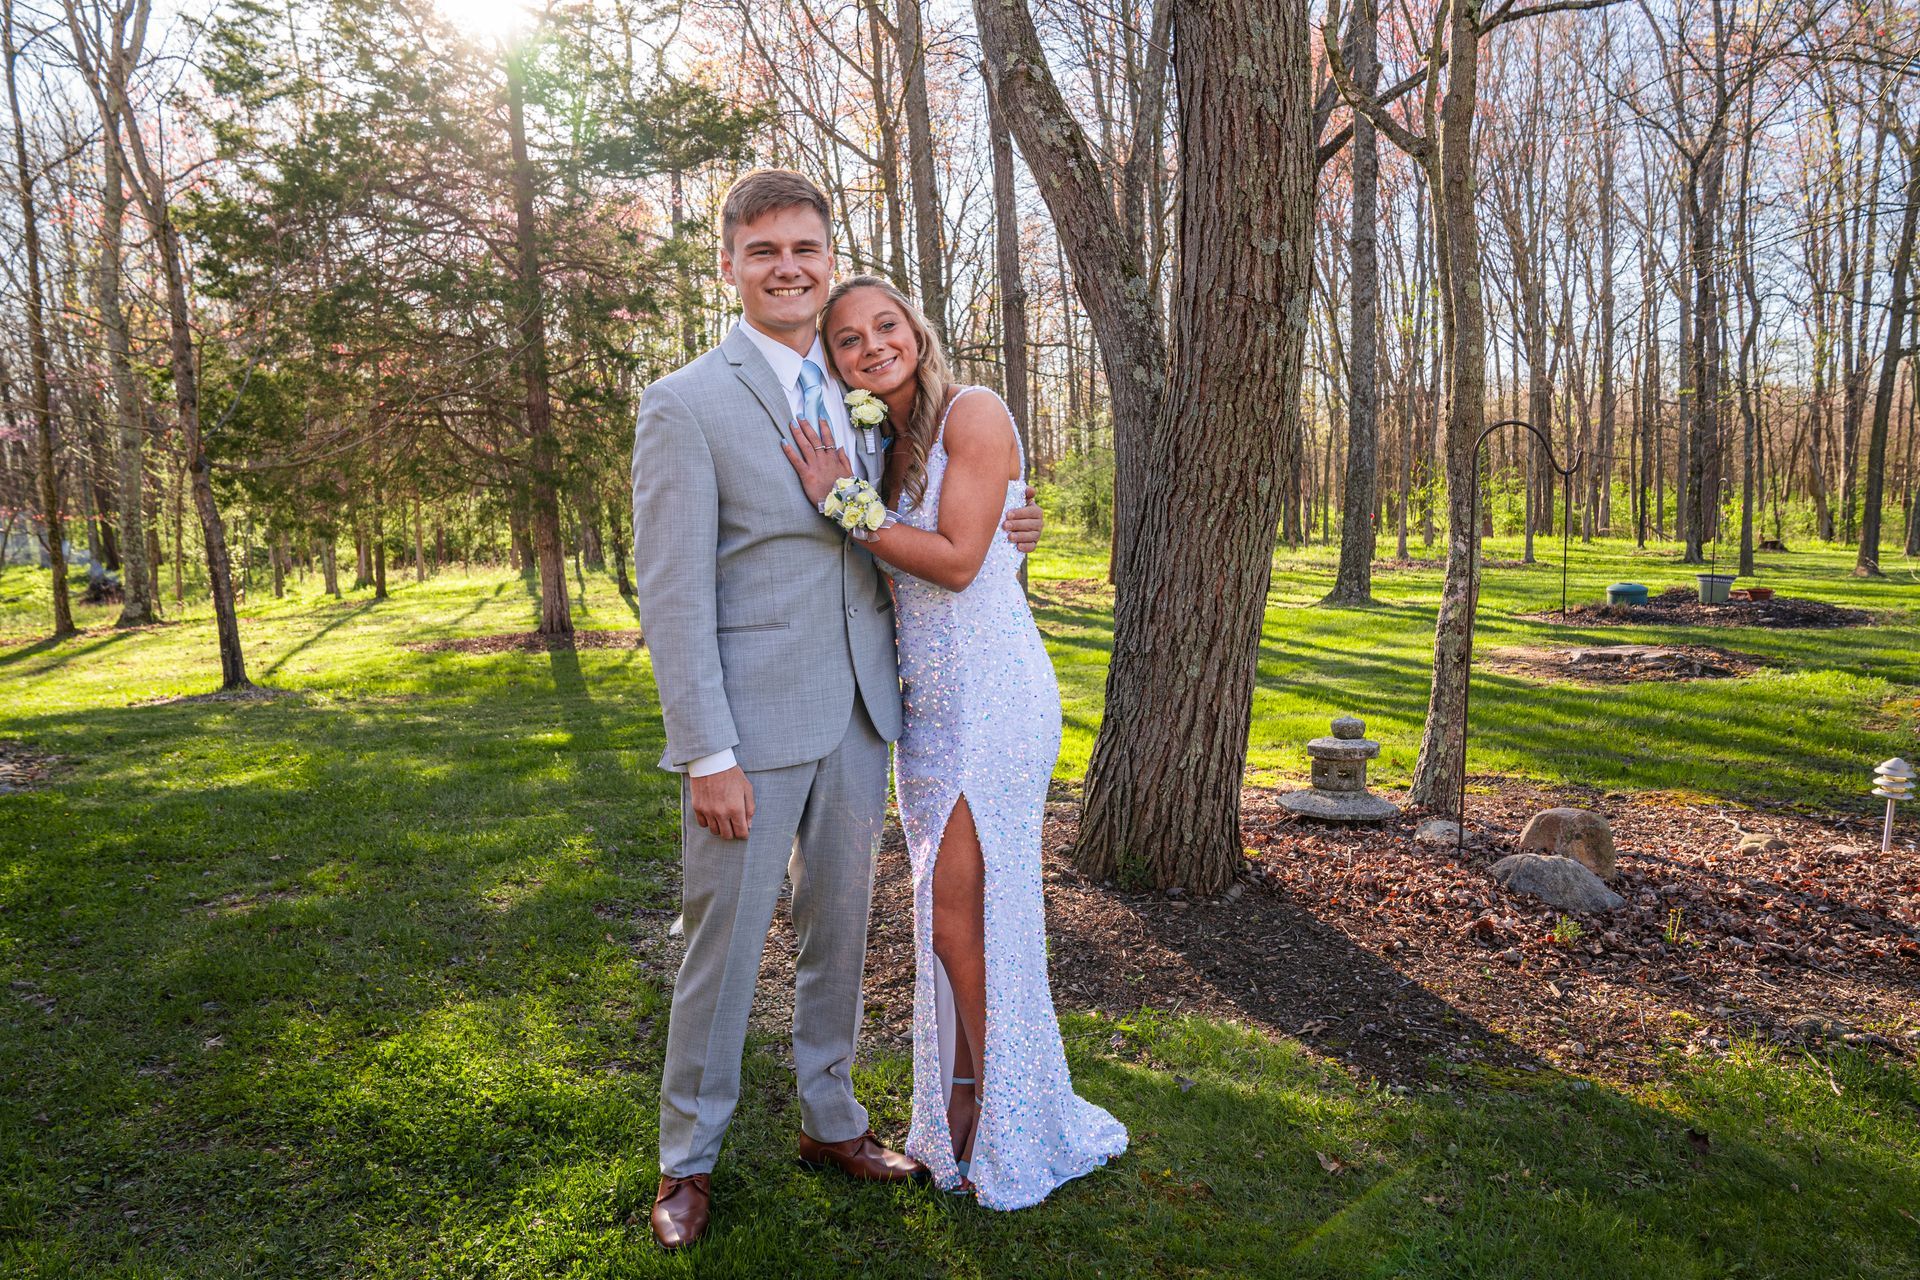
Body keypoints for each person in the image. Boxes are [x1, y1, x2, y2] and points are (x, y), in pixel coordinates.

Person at [629, 170, 1043, 1250]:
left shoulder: (864, 386)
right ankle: (689, 1158)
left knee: (840, 936)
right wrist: (705, 748)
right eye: (763, 249)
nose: (788, 267)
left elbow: (926, 517)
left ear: (828, 255)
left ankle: (831, 1118)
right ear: (728, 263)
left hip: (871, 714)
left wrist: (1008, 525)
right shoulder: (687, 401)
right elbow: (674, 593)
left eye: (805, 247)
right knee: (720, 945)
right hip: (751, 728)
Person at [783, 275, 1127, 1210]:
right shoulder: (881, 448)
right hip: (925, 712)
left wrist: (840, 502)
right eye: (847, 339)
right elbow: (925, 558)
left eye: (885, 326)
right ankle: (967, 1097)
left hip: (992, 697)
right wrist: (858, 493)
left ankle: (996, 1105)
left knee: (959, 917)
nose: (871, 346)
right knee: (957, 919)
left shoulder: (973, 410)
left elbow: (960, 559)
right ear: (836, 360)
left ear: (916, 331)